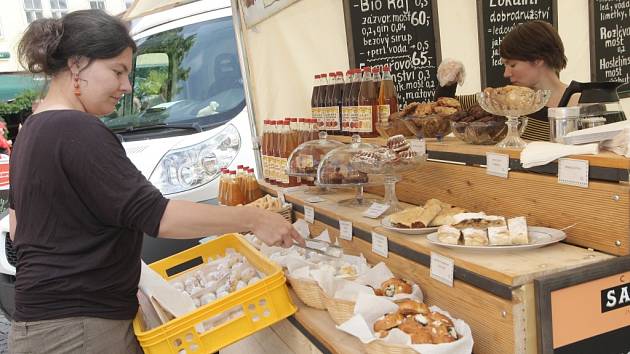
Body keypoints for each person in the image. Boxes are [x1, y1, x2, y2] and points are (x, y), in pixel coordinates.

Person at [8, 10, 303, 354]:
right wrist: (252, 219)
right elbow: (158, 217)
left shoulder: (32, 129)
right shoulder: (76, 129)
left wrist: (117, 274)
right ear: (76, 65)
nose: (127, 86)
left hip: (41, 322)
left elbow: (19, 229)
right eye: (117, 71)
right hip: (79, 329)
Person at [499, 20, 579, 141]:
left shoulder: (577, 103)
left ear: (538, 59)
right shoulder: (506, 99)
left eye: (513, 65)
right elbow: (462, 107)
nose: (506, 73)